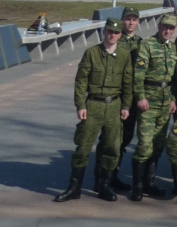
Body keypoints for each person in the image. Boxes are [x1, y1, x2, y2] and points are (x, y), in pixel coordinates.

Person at [54, 17, 133, 203]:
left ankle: (103, 185)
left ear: (120, 35)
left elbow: (128, 83)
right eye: (109, 32)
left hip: (114, 106)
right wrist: (80, 105)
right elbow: (81, 81)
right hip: (93, 105)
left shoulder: (124, 56)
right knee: (83, 147)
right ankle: (74, 188)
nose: (112, 35)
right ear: (104, 32)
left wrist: (126, 106)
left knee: (111, 148)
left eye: (116, 32)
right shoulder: (91, 53)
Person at [130, 12, 177, 201]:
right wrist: (140, 97)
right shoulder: (148, 45)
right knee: (144, 144)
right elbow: (138, 75)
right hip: (149, 101)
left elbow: (172, 78)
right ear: (159, 27)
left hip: (165, 102)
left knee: (158, 145)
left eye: (171, 28)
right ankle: (138, 185)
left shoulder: (173, 48)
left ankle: (149, 183)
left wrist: (173, 98)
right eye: (165, 27)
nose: (167, 30)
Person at [107, 5, 142, 192]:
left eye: (134, 19)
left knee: (126, 137)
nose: (131, 22)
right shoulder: (115, 40)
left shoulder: (141, 42)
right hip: (115, 96)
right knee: (112, 139)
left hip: (132, 97)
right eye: (128, 19)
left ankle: (114, 174)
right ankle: (105, 177)